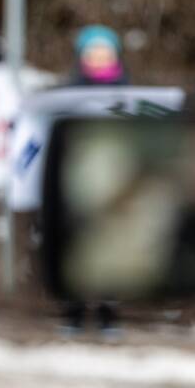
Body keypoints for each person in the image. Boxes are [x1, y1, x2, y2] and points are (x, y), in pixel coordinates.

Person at [61, 25, 128, 335]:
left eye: (105, 54)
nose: (99, 59)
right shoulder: (66, 93)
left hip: (115, 180)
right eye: (93, 54)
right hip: (77, 179)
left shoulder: (130, 94)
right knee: (74, 245)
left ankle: (107, 313)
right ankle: (72, 312)